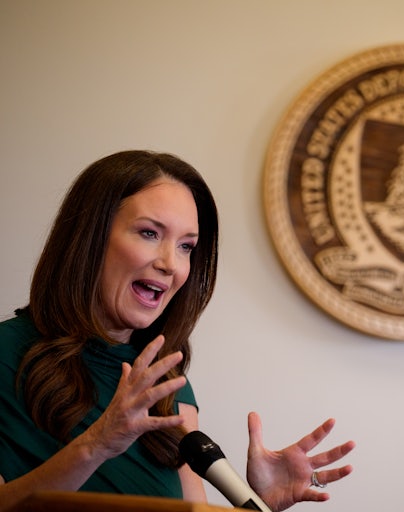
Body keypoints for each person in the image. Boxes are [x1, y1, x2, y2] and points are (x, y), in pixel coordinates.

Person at [0, 150, 354, 511]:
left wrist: (257, 505)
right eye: (150, 233)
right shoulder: (5, 353)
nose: (171, 264)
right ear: (89, 237)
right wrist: (97, 445)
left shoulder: (164, 378)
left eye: (186, 246)